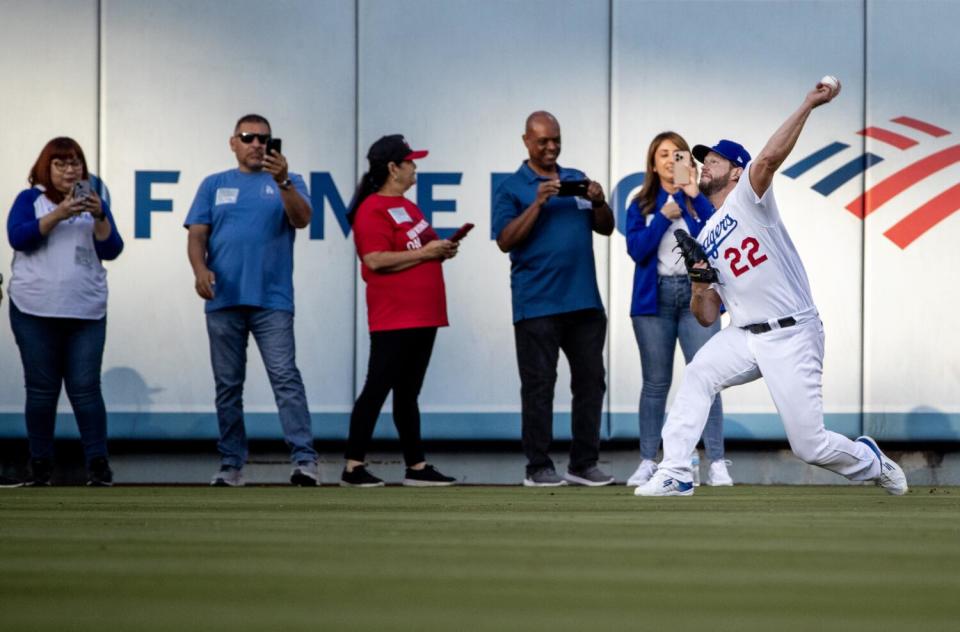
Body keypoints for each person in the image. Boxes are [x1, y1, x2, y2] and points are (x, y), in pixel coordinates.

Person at [636, 79, 908, 497]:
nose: (704, 163)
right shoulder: (704, 232)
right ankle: (676, 471)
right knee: (698, 374)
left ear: (737, 170)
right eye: (702, 159)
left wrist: (809, 104)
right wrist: (697, 281)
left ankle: (869, 460)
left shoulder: (749, 198)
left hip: (793, 332)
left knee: (809, 444)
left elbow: (768, 158)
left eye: (716, 159)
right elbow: (707, 315)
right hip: (745, 334)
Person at [185, 114, 319, 487]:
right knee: (228, 385)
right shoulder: (213, 184)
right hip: (224, 298)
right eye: (248, 137)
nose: (257, 144)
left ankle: (305, 461)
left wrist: (284, 182)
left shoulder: (290, 182)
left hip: (271, 299)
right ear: (233, 142)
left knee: (285, 378)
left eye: (264, 138)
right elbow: (197, 235)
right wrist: (199, 270)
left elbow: (303, 219)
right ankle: (231, 464)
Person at [493, 111, 615, 487]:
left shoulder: (574, 178)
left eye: (556, 140)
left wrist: (597, 200)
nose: (551, 147)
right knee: (539, 386)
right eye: (543, 141)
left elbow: (607, 228)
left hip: (584, 304)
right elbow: (505, 241)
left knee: (592, 382)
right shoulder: (512, 187)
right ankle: (538, 466)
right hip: (537, 305)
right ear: (526, 140)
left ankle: (583, 463)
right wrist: (537, 203)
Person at [341, 134, 458, 488]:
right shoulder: (371, 209)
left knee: (408, 393)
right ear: (393, 168)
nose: (415, 167)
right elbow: (375, 259)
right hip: (395, 315)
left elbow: (418, 249)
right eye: (410, 162)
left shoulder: (408, 206)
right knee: (377, 387)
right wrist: (426, 253)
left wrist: (442, 249)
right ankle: (352, 466)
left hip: (424, 314)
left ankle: (416, 466)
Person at [6, 137, 124, 487]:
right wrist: (59, 214)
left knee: (86, 388)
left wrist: (99, 214)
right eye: (61, 164)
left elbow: (112, 248)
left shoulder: (93, 203)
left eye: (75, 163)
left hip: (85, 309)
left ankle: (98, 465)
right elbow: (19, 237)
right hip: (35, 308)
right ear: (46, 168)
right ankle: (40, 464)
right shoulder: (31, 200)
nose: (70, 170)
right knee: (41, 390)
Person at [624, 132, 731, 487]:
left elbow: (713, 240)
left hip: (696, 295)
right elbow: (637, 250)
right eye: (664, 155)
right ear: (653, 163)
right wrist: (661, 217)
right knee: (655, 383)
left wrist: (692, 198)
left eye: (679, 154)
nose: (671, 161)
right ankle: (647, 460)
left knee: (708, 378)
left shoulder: (700, 200)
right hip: (654, 298)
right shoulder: (640, 202)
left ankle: (715, 461)